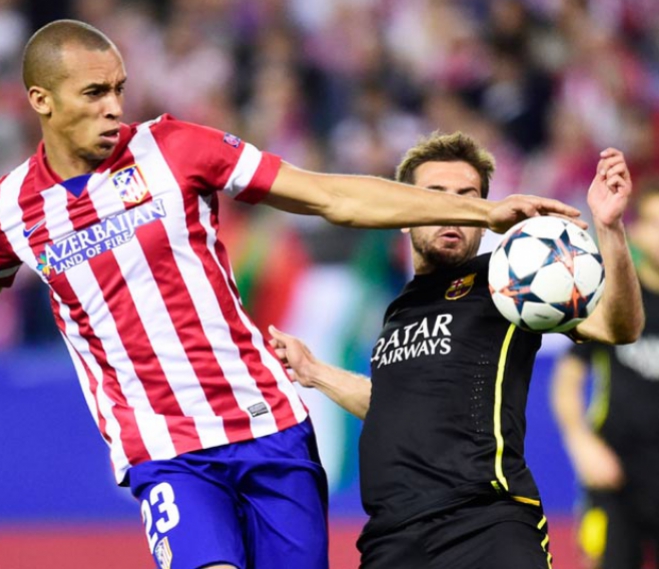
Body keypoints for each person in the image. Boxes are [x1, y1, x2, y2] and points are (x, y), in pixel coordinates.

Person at [0, 21, 583, 569]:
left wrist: (477, 209)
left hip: (270, 429)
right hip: (165, 452)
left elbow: (327, 196)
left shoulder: (178, 149)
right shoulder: (10, 209)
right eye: (93, 93)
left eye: (119, 89)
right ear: (41, 101)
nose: (115, 107)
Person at [269, 132, 643, 569]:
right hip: (391, 538)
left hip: (486, 526)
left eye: (467, 197)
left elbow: (620, 328)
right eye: (437, 196)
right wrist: (315, 371)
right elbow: (392, 405)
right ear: (406, 214)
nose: (452, 211)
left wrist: (610, 229)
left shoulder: (508, 278)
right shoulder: (399, 307)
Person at [551, 183, 659, 569]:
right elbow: (568, 378)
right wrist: (580, 441)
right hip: (616, 471)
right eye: (655, 223)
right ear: (639, 232)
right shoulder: (614, 299)